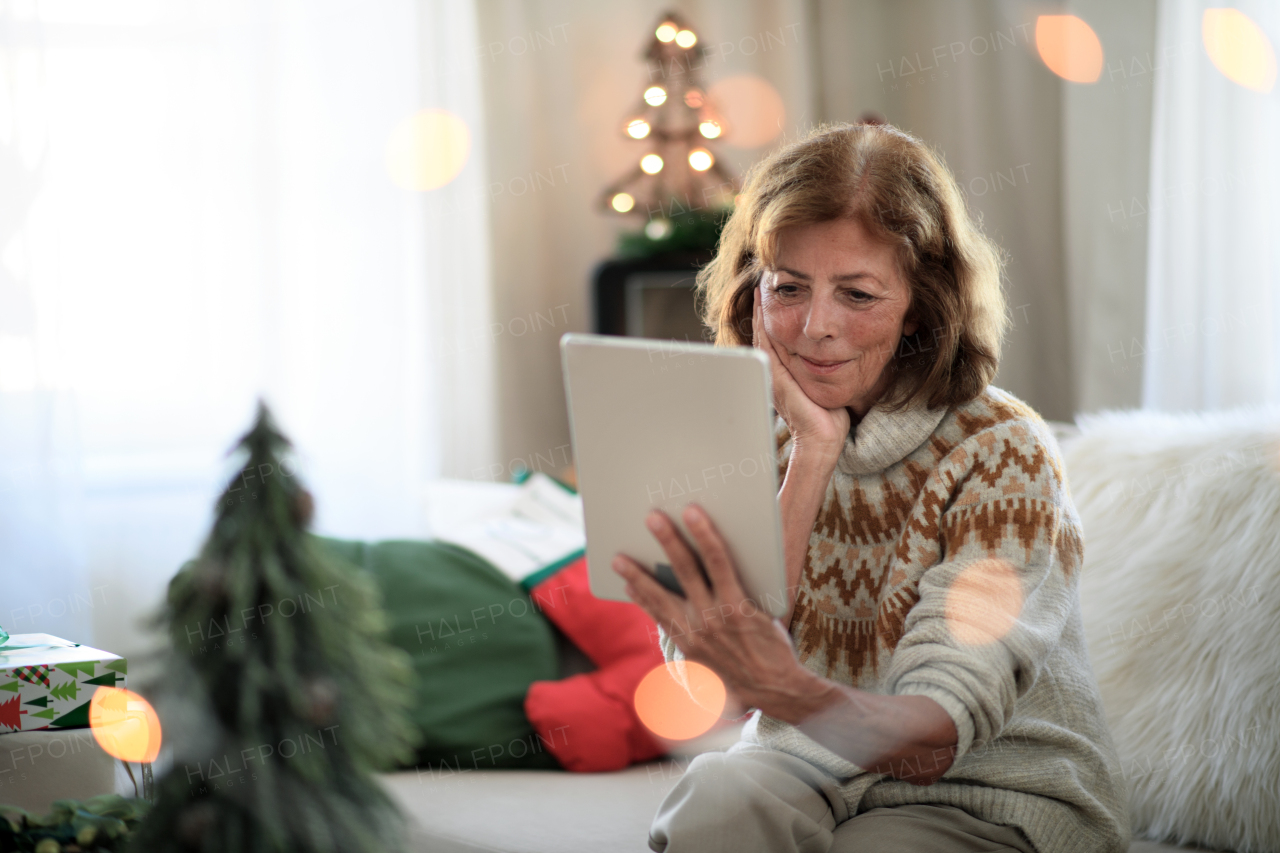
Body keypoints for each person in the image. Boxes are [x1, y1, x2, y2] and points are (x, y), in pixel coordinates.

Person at [611, 123, 1129, 853]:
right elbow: (716, 693)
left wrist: (788, 689)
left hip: (989, 788)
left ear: (921, 303)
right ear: (754, 290)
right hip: (809, 766)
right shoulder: (747, 433)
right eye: (788, 287)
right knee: (716, 798)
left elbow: (936, 735)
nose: (816, 327)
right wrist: (814, 455)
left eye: (856, 294)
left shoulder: (1003, 451)